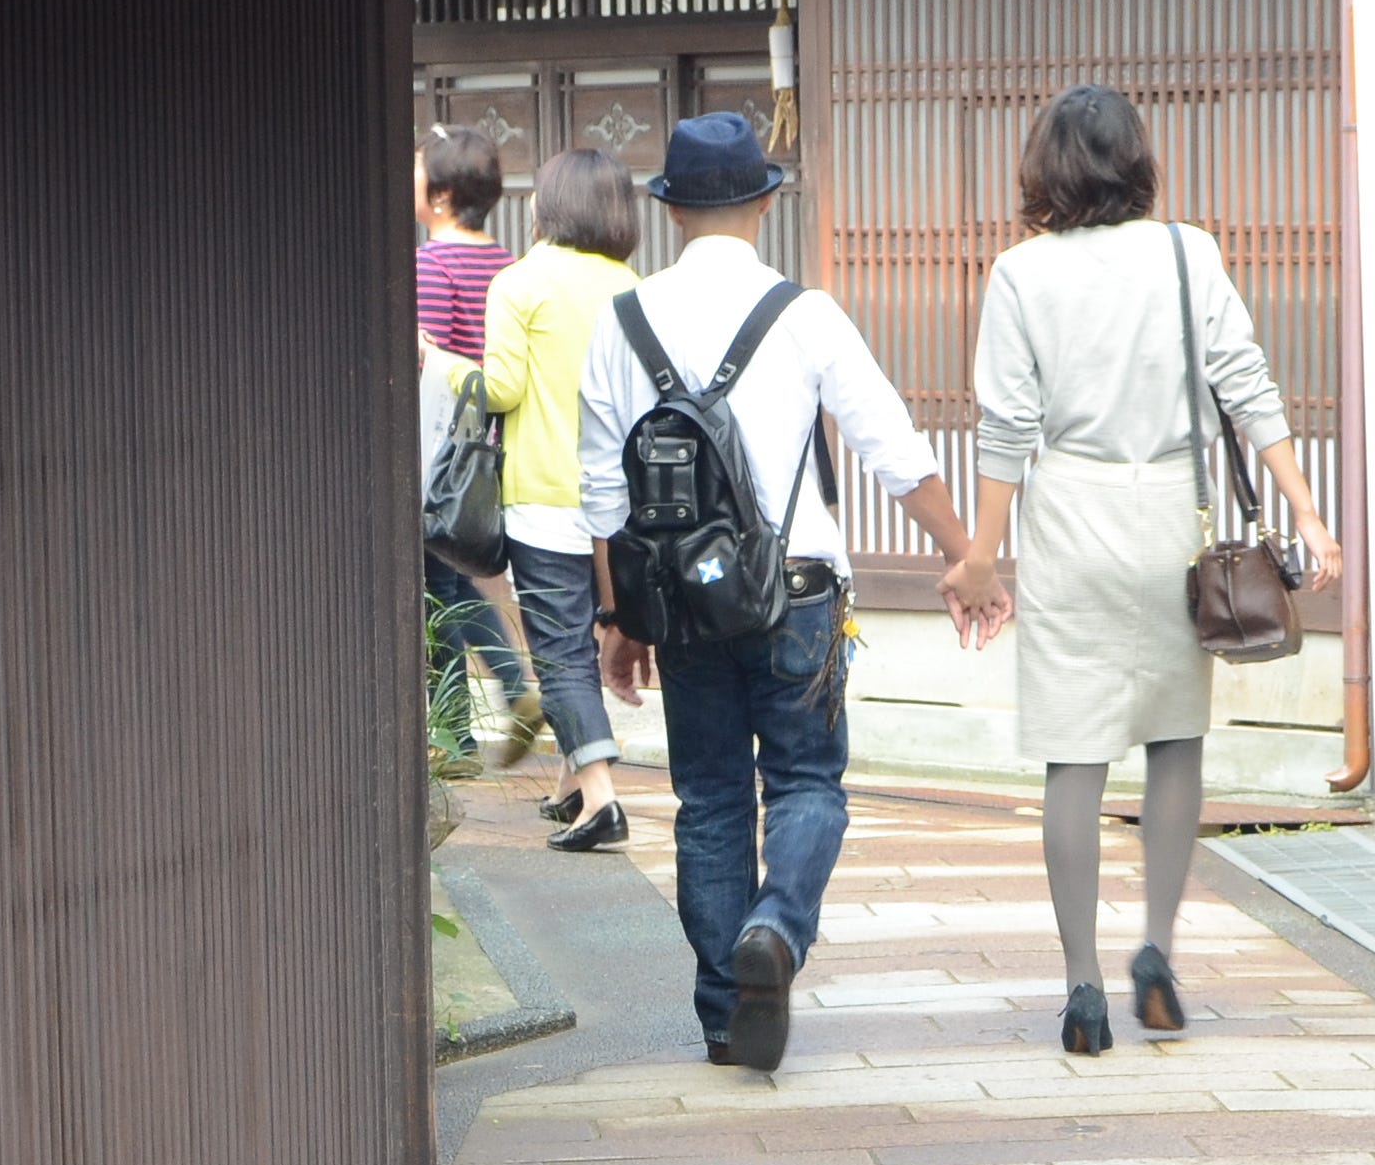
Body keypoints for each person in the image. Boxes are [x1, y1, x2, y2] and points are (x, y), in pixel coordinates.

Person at [580, 108, 992, 1072]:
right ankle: (777, 925)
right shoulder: (802, 313)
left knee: (711, 798)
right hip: (797, 590)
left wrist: (618, 618)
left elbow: (603, 490)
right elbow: (893, 446)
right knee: (806, 780)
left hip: (680, 604)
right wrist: (967, 556)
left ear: (671, 210)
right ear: (765, 199)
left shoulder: (622, 320)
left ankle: (728, 1012)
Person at [963, 82, 1338, 1057]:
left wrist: (977, 554)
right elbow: (1246, 388)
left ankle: (1082, 988)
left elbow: (1005, 429)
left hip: (1071, 515)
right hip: (1175, 515)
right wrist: (1303, 509)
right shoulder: (1187, 251)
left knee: (1074, 758)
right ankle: (1157, 952)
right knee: (1175, 742)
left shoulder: (1018, 274)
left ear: (1044, 165)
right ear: (1136, 158)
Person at [482, 145, 646, 849]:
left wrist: (449, 369)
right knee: (585, 637)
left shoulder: (520, 282)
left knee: (558, 652)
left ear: (547, 206)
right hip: (622, 502)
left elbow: (502, 390)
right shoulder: (633, 286)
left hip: (545, 498)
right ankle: (572, 786)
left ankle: (602, 798)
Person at [415, 121, 546, 763]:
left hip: (439, 453)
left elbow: (429, 362)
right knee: (444, 579)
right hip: (489, 452)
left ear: (439, 197)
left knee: (439, 585)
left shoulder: (430, 265)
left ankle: (478, 711)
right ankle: (460, 731)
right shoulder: (508, 264)